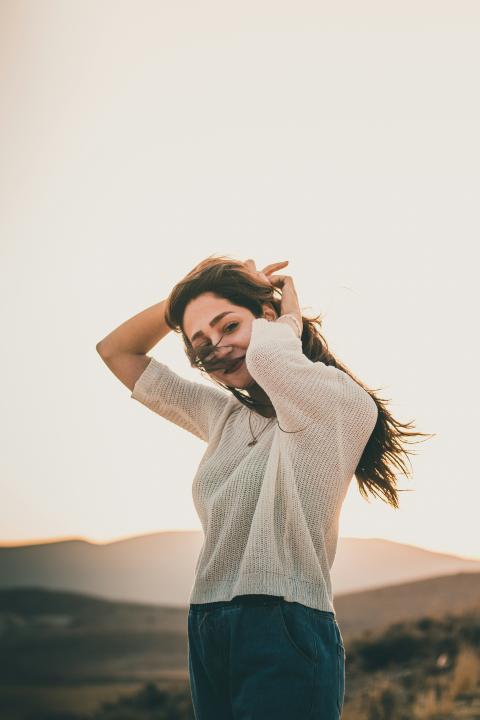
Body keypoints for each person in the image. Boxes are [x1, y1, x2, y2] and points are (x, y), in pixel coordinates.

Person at [96, 255, 432, 719]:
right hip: (208, 624)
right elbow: (117, 351)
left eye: (229, 326)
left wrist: (286, 321)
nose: (217, 347)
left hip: (286, 624)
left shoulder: (339, 401)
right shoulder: (224, 417)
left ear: (271, 318)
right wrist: (179, 301)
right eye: (201, 343)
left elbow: (271, 360)